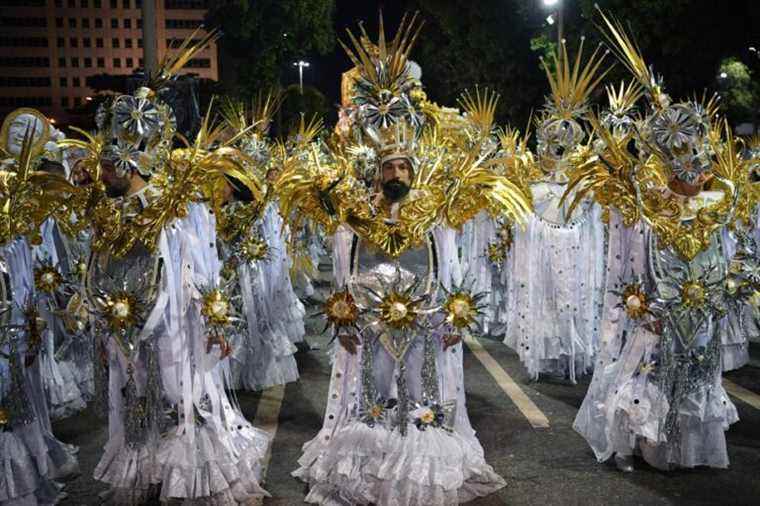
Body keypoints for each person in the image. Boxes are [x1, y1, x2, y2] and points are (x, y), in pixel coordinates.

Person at [282, 14, 528, 505]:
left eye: (402, 165)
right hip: (369, 316)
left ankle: (418, 460)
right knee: (372, 393)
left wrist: (455, 312)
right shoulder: (355, 212)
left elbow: (446, 262)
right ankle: (373, 462)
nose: (396, 171)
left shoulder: (432, 210)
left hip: (423, 314)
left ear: (413, 169)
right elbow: (345, 262)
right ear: (376, 171)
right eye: (388, 165)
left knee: (420, 391)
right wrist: (344, 311)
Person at [74, 47, 270, 503]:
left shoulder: (178, 207)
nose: (101, 172)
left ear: (131, 162)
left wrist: (217, 320)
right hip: (126, 326)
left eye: (108, 165)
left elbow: (203, 267)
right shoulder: (107, 207)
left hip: (176, 326)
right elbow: (97, 263)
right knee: (136, 402)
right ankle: (151, 474)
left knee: (182, 398)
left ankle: (190, 480)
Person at [573, 10, 749, 472]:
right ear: (667, 157)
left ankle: (686, 450)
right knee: (650, 376)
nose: (692, 161)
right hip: (657, 317)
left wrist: (729, 293)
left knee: (695, 380)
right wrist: (637, 308)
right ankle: (646, 445)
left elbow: (733, 259)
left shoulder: (719, 203)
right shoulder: (643, 207)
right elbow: (625, 272)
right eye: (680, 150)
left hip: (702, 316)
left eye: (696, 149)